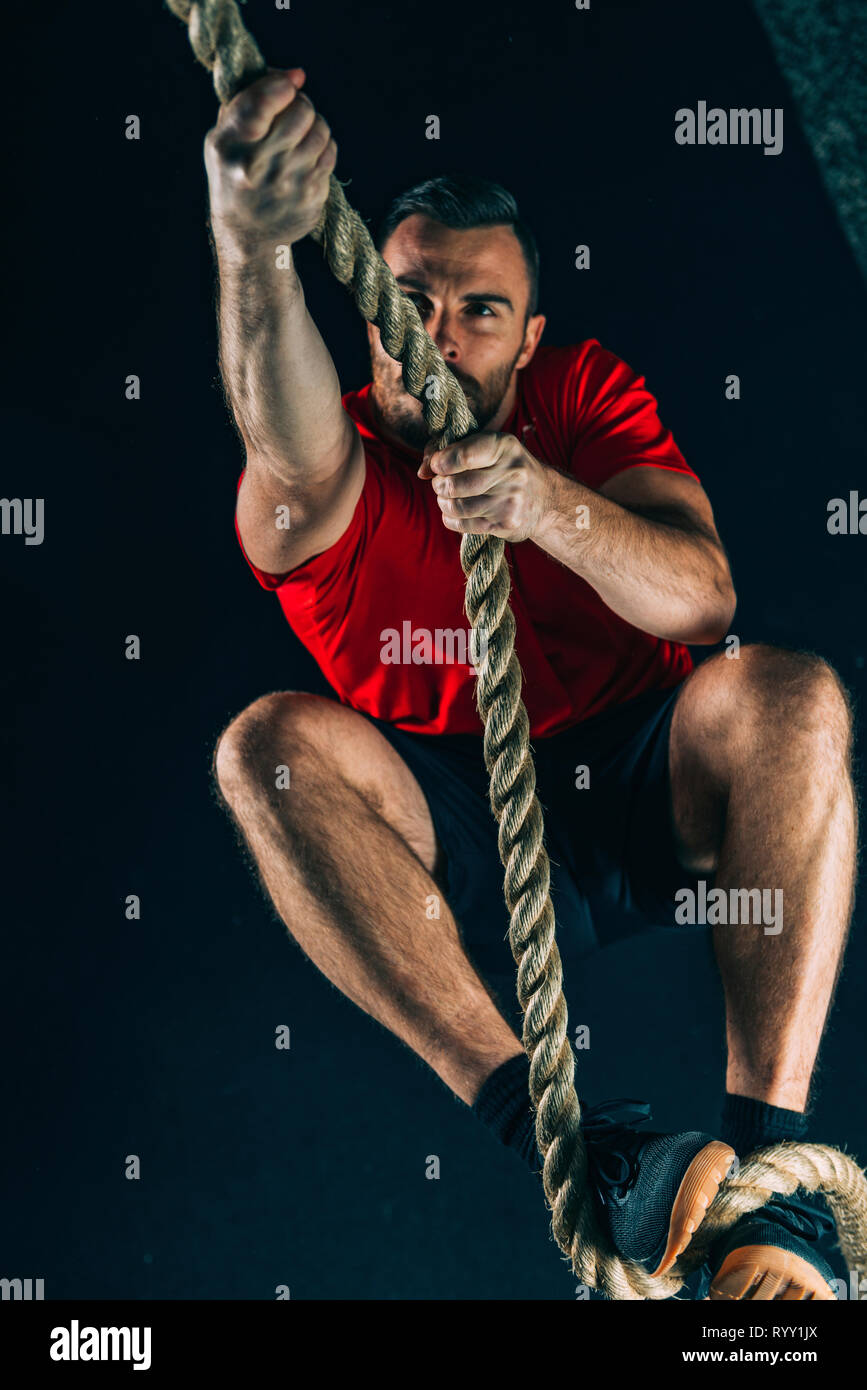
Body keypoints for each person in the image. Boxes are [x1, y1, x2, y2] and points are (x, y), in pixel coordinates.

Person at [206, 68, 855, 1300]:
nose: (440, 335)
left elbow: (703, 599)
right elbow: (280, 436)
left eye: (480, 310)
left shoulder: (580, 396)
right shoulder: (328, 465)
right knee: (265, 748)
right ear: (369, 314)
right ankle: (575, 1144)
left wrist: (552, 506)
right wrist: (253, 250)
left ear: (529, 337)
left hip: (647, 789)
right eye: (409, 301)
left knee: (792, 695)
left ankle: (771, 1188)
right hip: (463, 839)